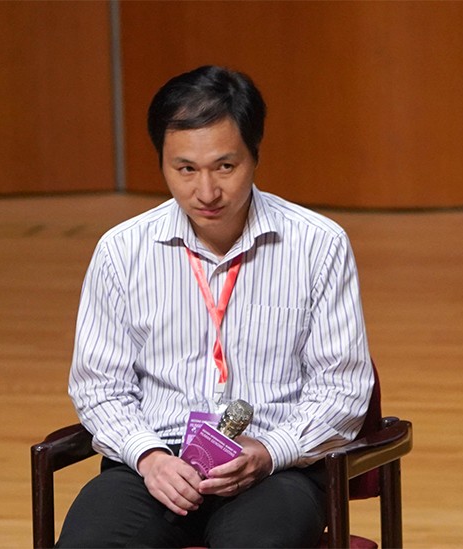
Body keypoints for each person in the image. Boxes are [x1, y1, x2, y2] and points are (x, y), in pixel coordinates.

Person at [56, 65, 374, 548]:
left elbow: (344, 388)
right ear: (162, 162)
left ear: (255, 155)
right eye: (185, 169)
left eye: (225, 167)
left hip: (273, 472)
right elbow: (99, 387)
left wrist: (269, 451)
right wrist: (148, 457)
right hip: (152, 469)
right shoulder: (122, 250)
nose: (206, 192)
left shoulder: (318, 244)